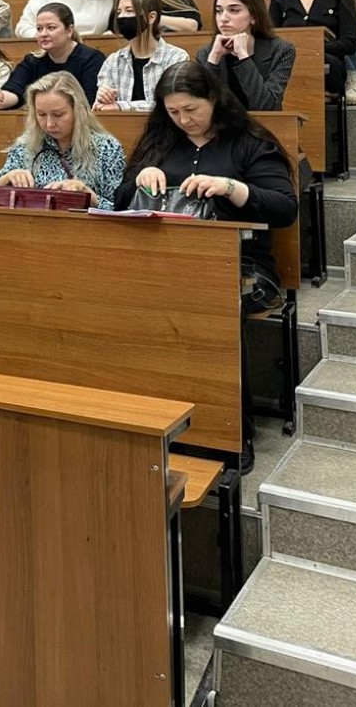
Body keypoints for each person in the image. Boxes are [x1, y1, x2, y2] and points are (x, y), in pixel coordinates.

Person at [113, 60, 299, 470]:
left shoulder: (248, 142)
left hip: (243, 265)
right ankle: (148, 419)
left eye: (192, 110)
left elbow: (285, 208)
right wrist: (141, 177)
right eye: (174, 112)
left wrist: (231, 188)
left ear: (214, 99)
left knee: (210, 305)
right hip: (167, 263)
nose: (183, 120)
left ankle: (229, 433)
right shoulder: (161, 141)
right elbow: (120, 199)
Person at [0, 72, 125, 209]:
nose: (49, 124)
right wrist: (7, 178)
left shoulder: (107, 148)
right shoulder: (26, 145)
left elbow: (121, 209)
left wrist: (87, 195)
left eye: (58, 114)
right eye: (41, 114)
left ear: (78, 110)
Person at [196, 0, 296, 110]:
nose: (223, 18)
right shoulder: (206, 53)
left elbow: (267, 107)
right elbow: (201, 107)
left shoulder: (281, 50)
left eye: (234, 10)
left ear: (253, 16)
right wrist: (214, 59)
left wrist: (243, 57)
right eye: (219, 11)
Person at [0, 3, 104, 110]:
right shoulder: (32, 61)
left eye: (51, 28)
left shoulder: (92, 59)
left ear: (69, 31)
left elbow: (88, 103)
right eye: (39, 29)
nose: (43, 34)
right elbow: (13, 92)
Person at [94, 0, 187, 112]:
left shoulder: (176, 58)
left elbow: (168, 105)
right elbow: (101, 107)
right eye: (119, 12)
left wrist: (121, 106)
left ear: (151, 17)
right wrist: (103, 98)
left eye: (129, 11)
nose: (121, 17)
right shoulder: (112, 61)